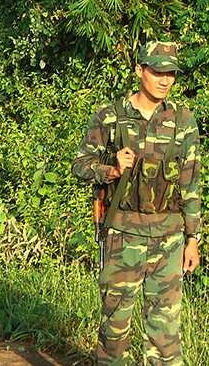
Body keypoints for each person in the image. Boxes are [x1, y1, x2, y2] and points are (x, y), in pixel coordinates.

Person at [71, 41, 201, 365]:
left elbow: (190, 183)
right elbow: (79, 165)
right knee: (114, 329)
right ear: (139, 70)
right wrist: (111, 168)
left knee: (165, 332)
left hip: (168, 238)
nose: (165, 80)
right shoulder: (110, 117)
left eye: (170, 73)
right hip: (122, 236)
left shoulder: (183, 120)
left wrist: (193, 239)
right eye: (157, 71)